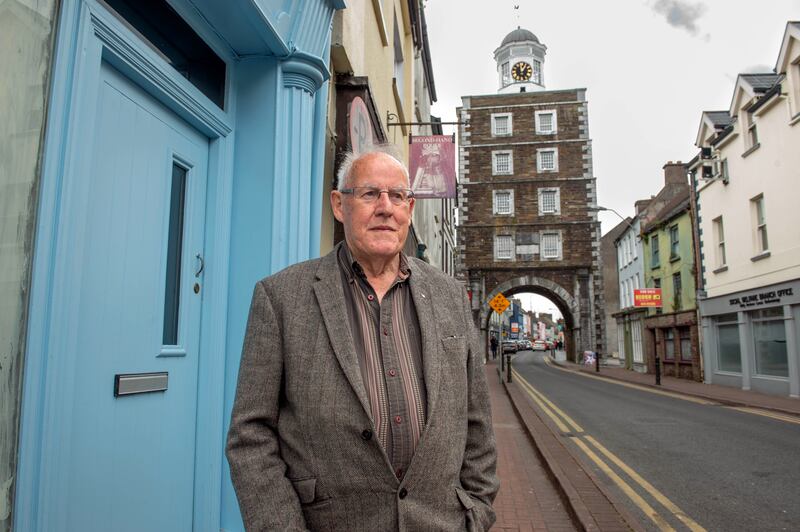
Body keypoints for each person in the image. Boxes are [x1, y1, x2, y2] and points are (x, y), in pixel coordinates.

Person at [226, 145, 498, 531]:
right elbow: (250, 435)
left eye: (398, 196)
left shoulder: (449, 296)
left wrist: (476, 512)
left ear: (409, 209)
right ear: (340, 205)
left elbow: (477, 422)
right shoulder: (282, 297)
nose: (386, 207)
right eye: (370, 194)